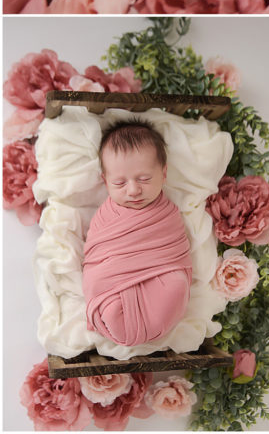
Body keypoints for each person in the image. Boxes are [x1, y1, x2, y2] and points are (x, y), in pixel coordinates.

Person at [82, 119, 192, 347]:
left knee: (177, 283)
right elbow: (96, 255)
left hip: (158, 281)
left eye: (144, 179)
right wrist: (110, 278)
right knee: (99, 285)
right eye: (120, 183)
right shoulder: (105, 216)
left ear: (164, 174)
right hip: (114, 287)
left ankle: (145, 326)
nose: (133, 190)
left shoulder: (167, 214)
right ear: (105, 181)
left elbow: (176, 253)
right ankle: (119, 321)